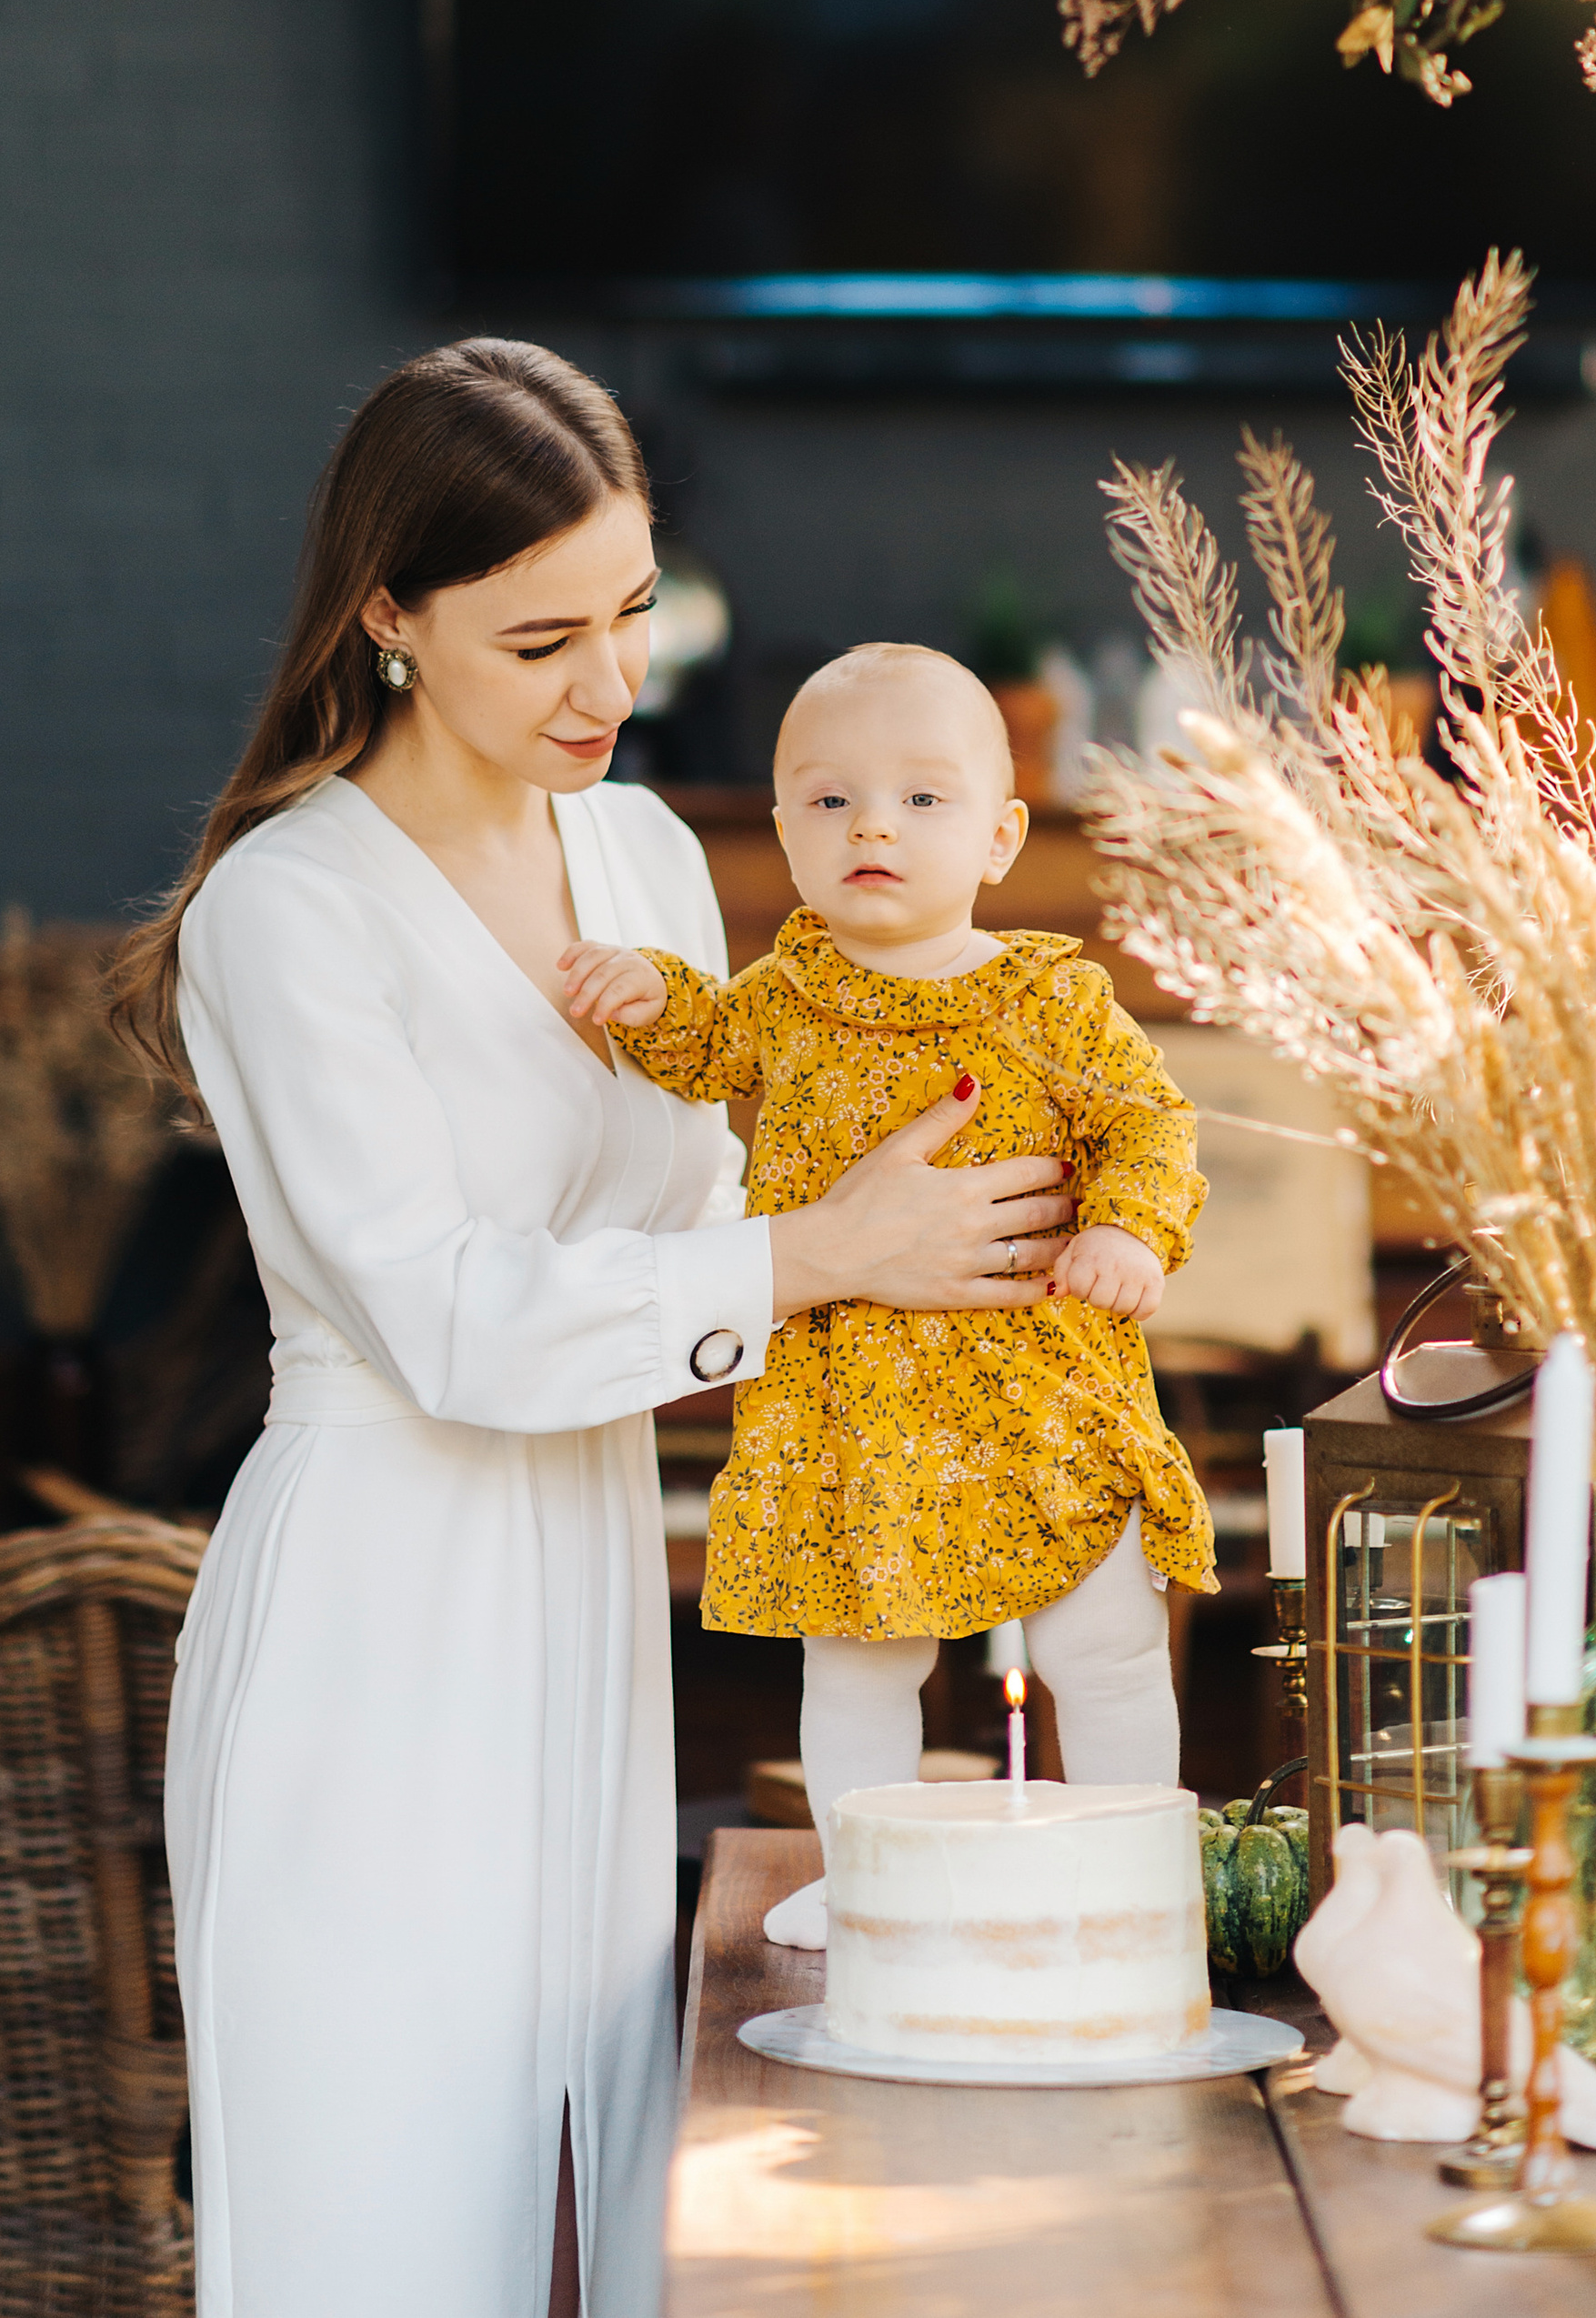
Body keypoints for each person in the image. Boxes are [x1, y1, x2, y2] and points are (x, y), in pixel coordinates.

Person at [109, 346, 1075, 2318]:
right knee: (376, 2229)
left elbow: (719, 1215)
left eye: (633, 610)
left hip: (586, 1575)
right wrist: (820, 1250)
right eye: (540, 635)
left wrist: (946, 1254)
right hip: (376, 1613)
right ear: (384, 616)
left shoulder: (636, 855)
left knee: (612, 2219)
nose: (607, 684)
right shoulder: (285, 915)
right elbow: (458, 1318)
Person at [558, 639, 1217, 1955]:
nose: (873, 825)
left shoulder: (1052, 998)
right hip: (853, 1411)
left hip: (1044, 1395)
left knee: (1107, 1648)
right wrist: (643, 996)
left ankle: (1138, 1873)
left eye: (923, 799)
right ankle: (867, 1871)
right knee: (858, 1665)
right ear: (791, 832)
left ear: (998, 834)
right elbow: (704, 1044)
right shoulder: (790, 993)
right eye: (828, 798)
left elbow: (1152, 1125)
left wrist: (1132, 1235)